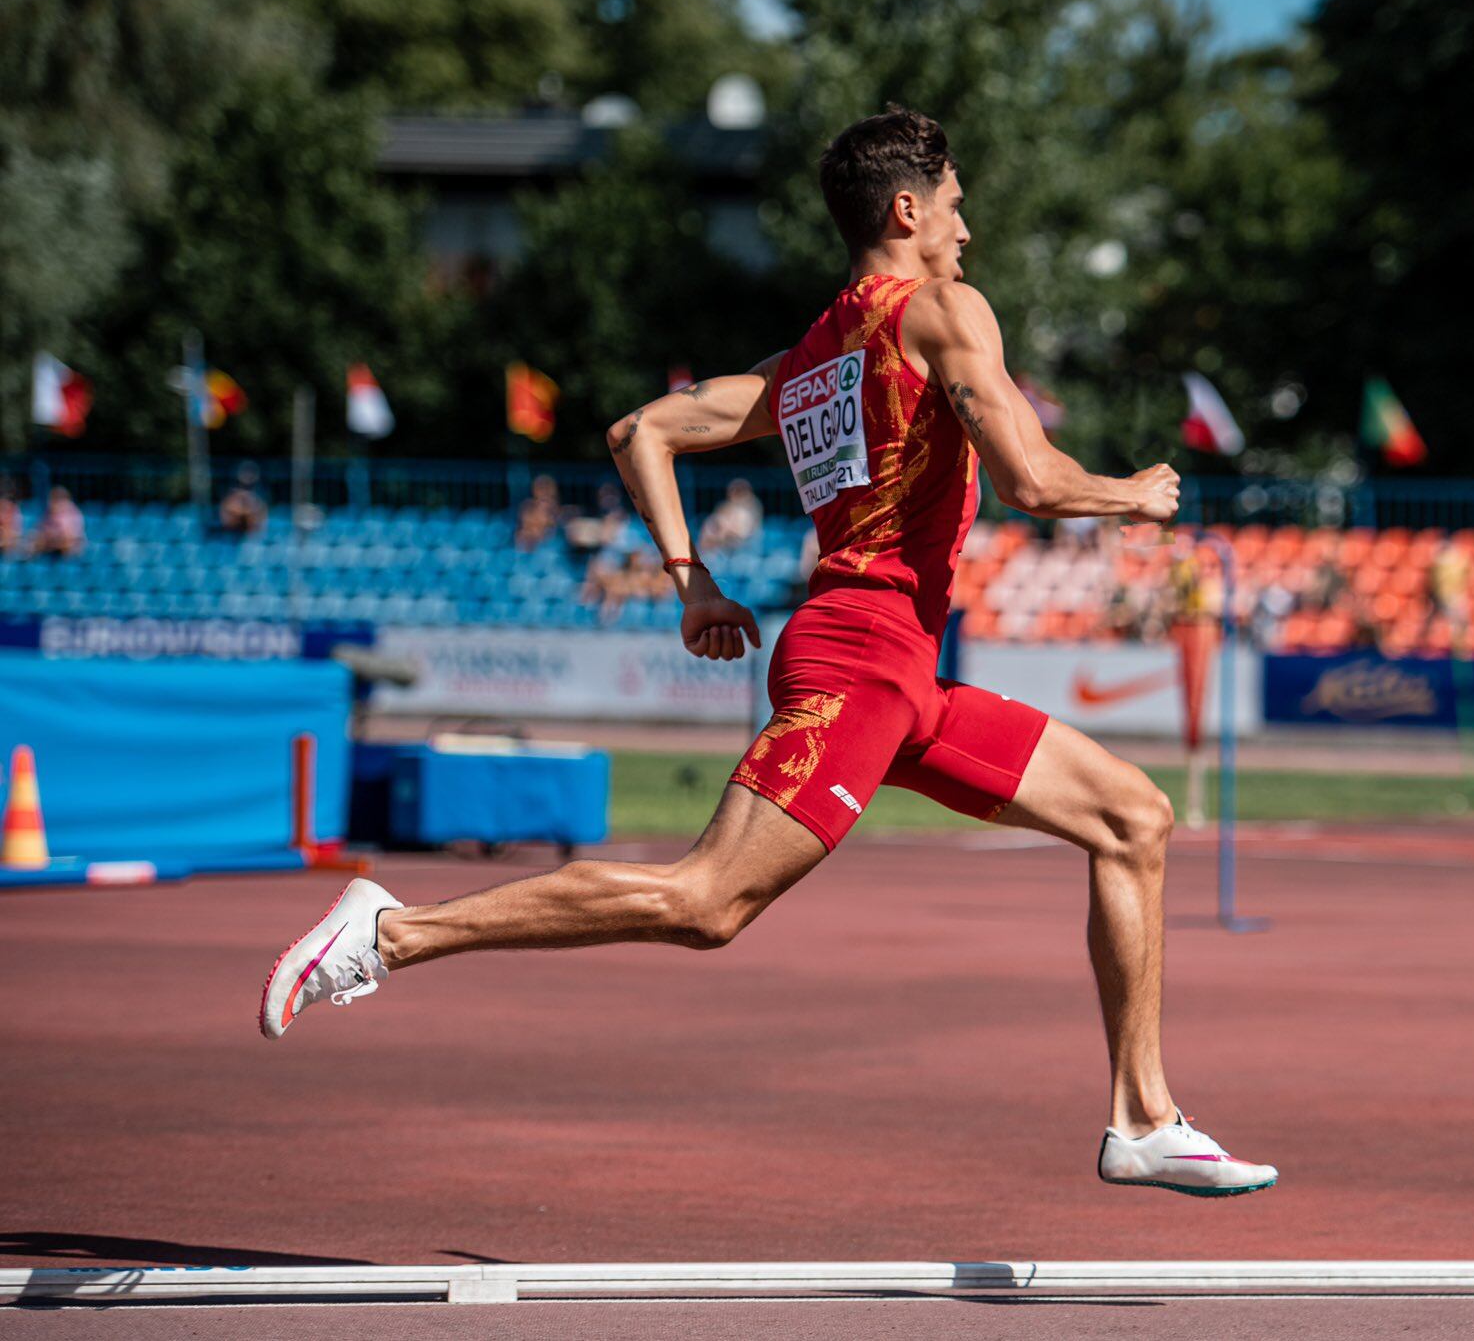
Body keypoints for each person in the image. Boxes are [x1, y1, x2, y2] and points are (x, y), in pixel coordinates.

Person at [260, 106, 1274, 1197]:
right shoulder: (945, 310)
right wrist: (1131, 494)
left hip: (900, 675)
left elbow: (640, 432)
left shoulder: (808, 361)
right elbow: (1030, 478)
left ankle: (1142, 1117)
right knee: (706, 902)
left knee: (1132, 818)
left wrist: (694, 583)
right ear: (907, 210)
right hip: (859, 662)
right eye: (955, 205)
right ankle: (390, 932)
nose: (966, 228)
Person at [696, 477, 763, 555]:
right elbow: (715, 522)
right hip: (723, 538)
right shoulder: (725, 506)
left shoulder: (753, 506)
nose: (736, 493)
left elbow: (747, 531)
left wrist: (727, 529)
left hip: (740, 539)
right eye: (734, 490)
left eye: (740, 490)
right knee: (710, 525)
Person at [27, 486, 84, 558]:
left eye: (55, 499)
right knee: (32, 538)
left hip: (69, 550)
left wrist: (52, 536)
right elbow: (39, 528)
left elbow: (69, 537)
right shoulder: (48, 512)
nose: (51, 502)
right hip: (50, 546)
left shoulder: (72, 513)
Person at [218, 462, 269, 538]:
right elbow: (226, 519)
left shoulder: (259, 499)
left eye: (251, 473)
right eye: (245, 473)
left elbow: (260, 521)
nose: (248, 476)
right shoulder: (231, 498)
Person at [515, 474, 560, 550]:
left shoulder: (555, 511)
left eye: (547, 488)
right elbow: (521, 533)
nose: (545, 491)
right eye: (541, 488)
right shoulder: (527, 507)